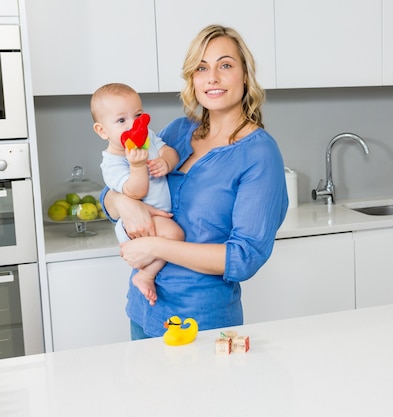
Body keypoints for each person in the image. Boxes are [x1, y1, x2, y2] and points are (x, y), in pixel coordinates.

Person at [101, 25, 288, 339]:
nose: (212, 77)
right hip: (143, 313)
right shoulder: (177, 131)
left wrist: (156, 245)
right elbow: (112, 188)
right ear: (192, 78)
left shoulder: (259, 153)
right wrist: (123, 204)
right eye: (202, 68)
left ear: (245, 75)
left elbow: (243, 259)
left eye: (225, 65)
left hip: (201, 324)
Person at [91, 83, 184, 306]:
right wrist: (137, 165)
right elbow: (136, 191)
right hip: (138, 224)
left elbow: (169, 151)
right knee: (176, 236)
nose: (133, 125)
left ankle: (147, 267)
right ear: (102, 130)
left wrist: (166, 162)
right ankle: (147, 275)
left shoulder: (148, 137)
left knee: (172, 236)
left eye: (138, 115)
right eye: (121, 120)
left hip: (157, 216)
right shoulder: (111, 163)